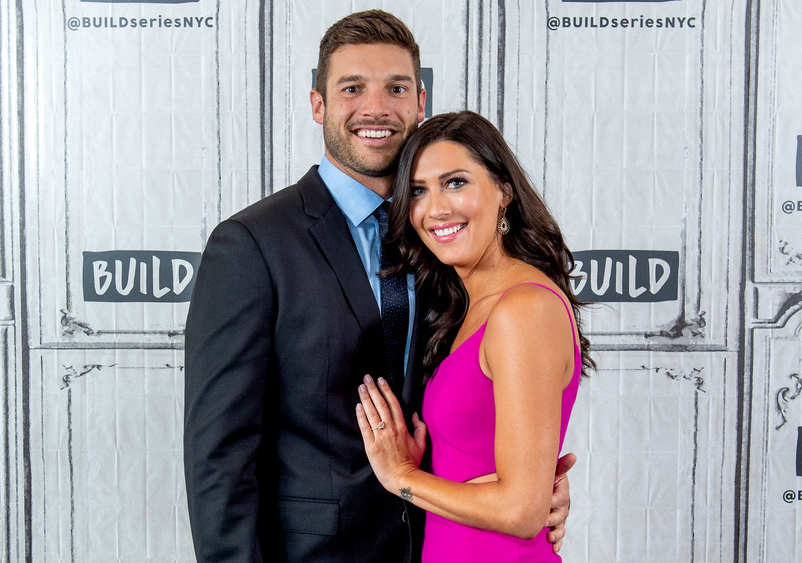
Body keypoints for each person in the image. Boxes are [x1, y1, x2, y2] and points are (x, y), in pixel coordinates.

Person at [183, 11, 573, 562]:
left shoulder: (447, 245)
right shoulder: (251, 246)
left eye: (396, 88)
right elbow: (218, 458)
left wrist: (528, 496)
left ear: (420, 102)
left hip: (438, 543)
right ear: (318, 104)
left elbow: (478, 410)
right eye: (352, 88)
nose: (376, 108)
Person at [355, 110, 594, 562]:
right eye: (420, 191)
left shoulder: (523, 309)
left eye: (457, 182)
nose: (436, 209)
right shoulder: (463, 306)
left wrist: (401, 476)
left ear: (504, 191)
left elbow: (521, 510)